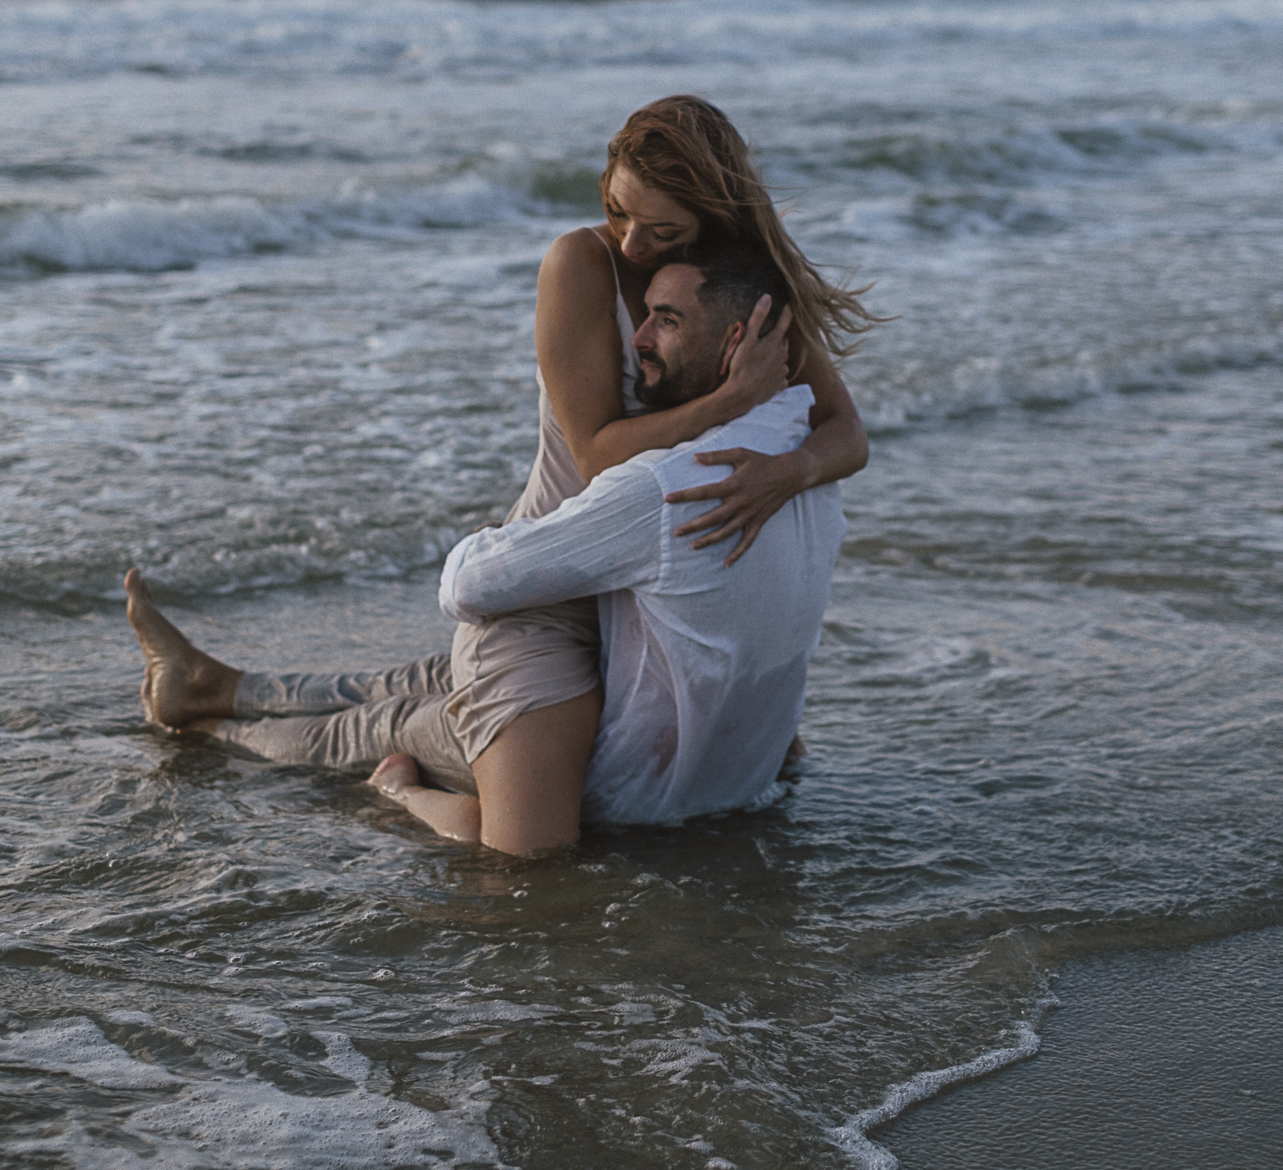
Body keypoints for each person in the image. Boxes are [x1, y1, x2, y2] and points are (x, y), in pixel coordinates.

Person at [127, 242, 849, 848]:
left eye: (666, 320)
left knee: (373, 730)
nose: (636, 341)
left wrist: (501, 533)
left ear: (736, 342)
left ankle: (209, 731)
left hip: (619, 788)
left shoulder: (667, 486)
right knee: (430, 678)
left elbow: (468, 586)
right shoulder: (803, 466)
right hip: (733, 777)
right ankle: (221, 685)